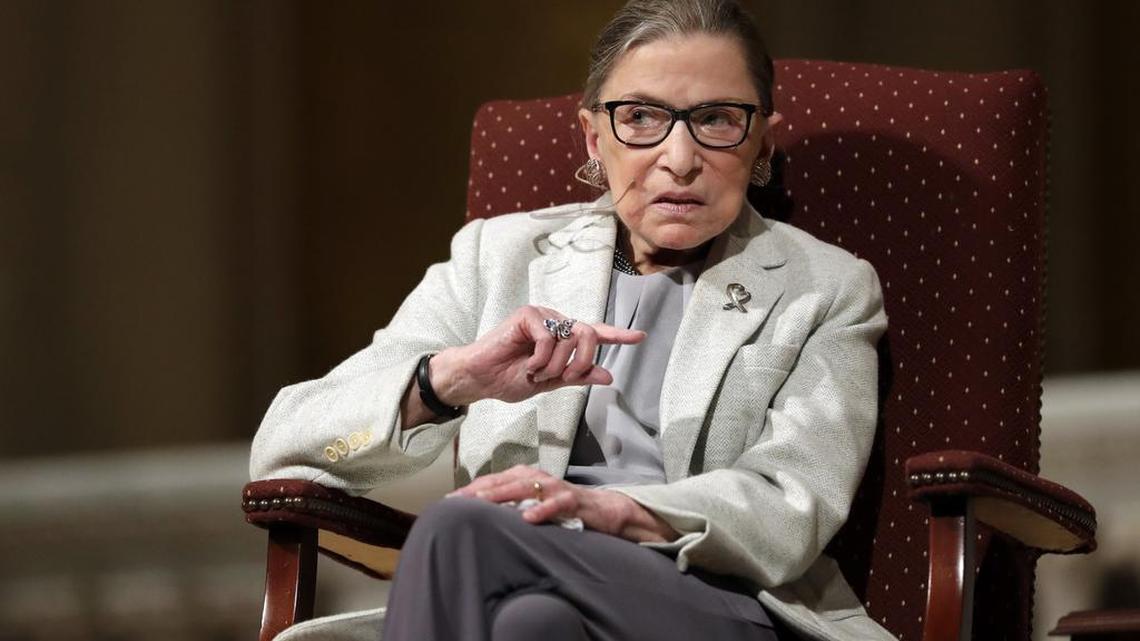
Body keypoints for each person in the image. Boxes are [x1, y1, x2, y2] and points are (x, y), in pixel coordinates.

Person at [250, 1, 894, 640]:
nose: (680, 157)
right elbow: (286, 446)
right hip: (517, 591)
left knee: (458, 526)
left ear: (760, 138)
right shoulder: (497, 257)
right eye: (641, 117)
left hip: (722, 601)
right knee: (533, 626)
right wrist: (449, 381)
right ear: (594, 137)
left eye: (717, 120)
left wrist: (613, 510)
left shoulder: (826, 287)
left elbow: (794, 503)